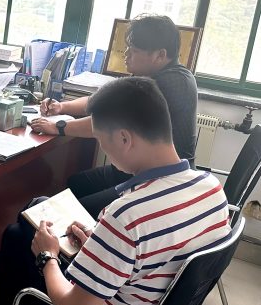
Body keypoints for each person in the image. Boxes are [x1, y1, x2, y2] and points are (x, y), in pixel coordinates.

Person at [0, 77, 229, 305]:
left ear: (125, 139)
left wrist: (48, 257)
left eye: (102, 140)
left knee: (16, 242)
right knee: (38, 211)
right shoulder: (211, 188)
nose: (102, 147)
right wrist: (102, 247)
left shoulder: (127, 215)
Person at [30, 15, 197, 217]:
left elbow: (108, 123)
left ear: (160, 55)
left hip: (159, 180)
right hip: (136, 169)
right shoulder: (152, 75)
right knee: (77, 183)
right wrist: (62, 107)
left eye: (134, 51)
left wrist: (59, 127)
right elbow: (101, 101)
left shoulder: (170, 84)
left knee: (77, 211)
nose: (126, 54)